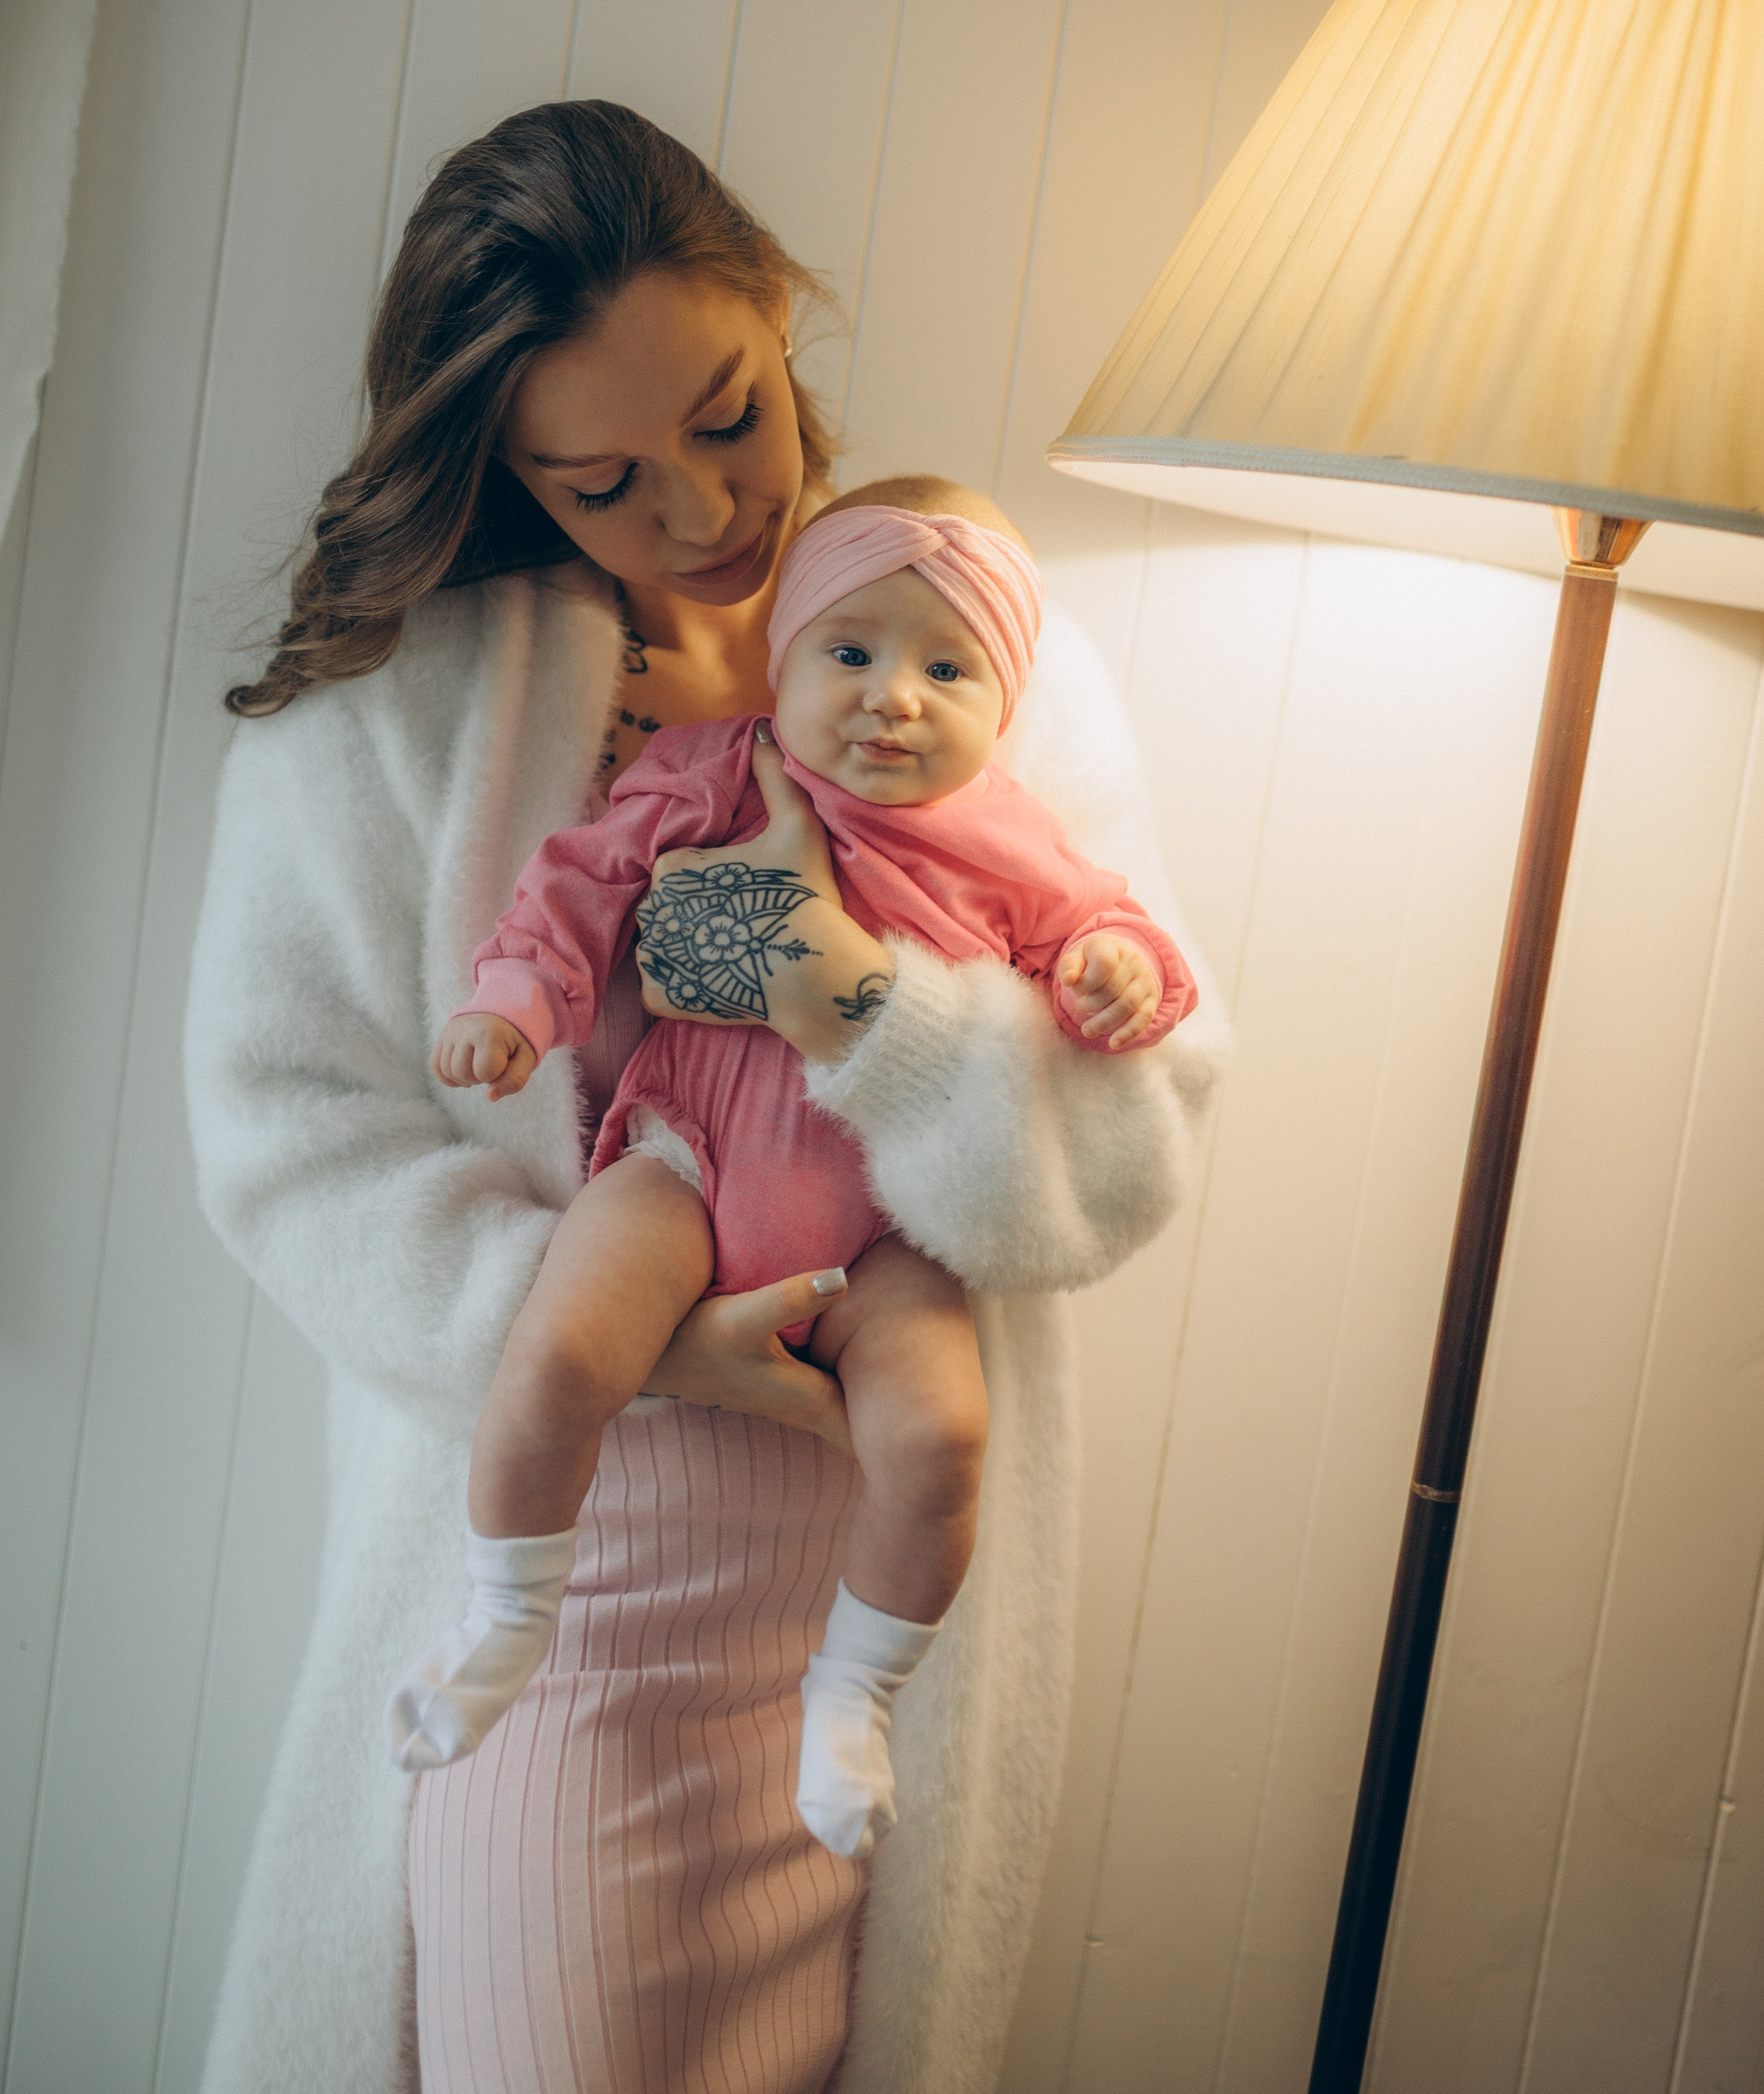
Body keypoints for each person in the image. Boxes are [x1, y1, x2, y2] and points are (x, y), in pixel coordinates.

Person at [184, 101, 1227, 2094]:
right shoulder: (393, 722)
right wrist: (619, 1336)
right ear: (507, 474)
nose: (698, 513)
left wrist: (845, 993)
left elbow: (1128, 1137)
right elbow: (284, 1136)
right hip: (563, 1588)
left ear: (778, 310)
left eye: (729, 416)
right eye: (602, 483)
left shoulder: (987, 660)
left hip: (882, 1622)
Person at [388, 486, 1199, 1866]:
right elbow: (581, 885)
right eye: (852, 652)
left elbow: (1104, 933)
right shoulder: (719, 769)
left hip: (877, 1234)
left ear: (1003, 703)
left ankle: (855, 1692)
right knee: (562, 1351)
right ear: (787, 657)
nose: (893, 697)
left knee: (939, 1437)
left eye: (948, 670)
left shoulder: (1006, 837)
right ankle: (503, 1617)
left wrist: (1111, 973)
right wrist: (517, 1000)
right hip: (684, 1160)